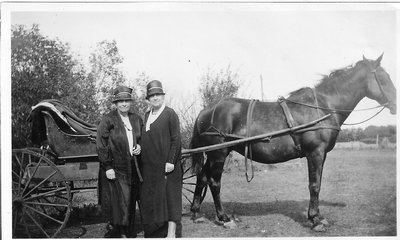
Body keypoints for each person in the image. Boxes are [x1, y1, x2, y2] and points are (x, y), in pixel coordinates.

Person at [96, 85, 143, 238]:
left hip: (133, 166)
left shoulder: (136, 119)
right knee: (121, 201)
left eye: (127, 101)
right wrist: (107, 166)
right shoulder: (108, 119)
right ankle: (121, 232)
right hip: (116, 166)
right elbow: (101, 144)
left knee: (131, 199)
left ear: (130, 102)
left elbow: (142, 138)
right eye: (121, 101)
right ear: (116, 103)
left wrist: (140, 146)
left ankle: (129, 230)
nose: (124, 104)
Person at [140, 80, 183, 238]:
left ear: (163, 96)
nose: (155, 98)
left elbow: (176, 139)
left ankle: (171, 233)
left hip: (168, 166)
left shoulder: (170, 114)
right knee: (157, 197)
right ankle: (159, 229)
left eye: (158, 94)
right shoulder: (147, 115)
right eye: (152, 96)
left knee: (171, 197)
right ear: (148, 99)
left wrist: (171, 161)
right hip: (152, 167)